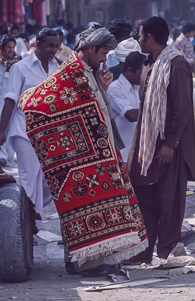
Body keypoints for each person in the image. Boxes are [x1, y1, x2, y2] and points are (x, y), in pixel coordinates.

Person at [20, 25, 148, 272]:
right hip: (80, 156)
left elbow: (93, 107)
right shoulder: (71, 71)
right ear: (91, 49)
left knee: (87, 208)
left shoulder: (87, 71)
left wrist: (103, 87)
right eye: (102, 54)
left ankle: (88, 261)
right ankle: (86, 263)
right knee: (79, 209)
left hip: (96, 152)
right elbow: (35, 102)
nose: (104, 59)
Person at [128, 16, 195, 262]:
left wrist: (171, 143)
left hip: (169, 147)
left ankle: (168, 251)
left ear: (149, 37)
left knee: (169, 201)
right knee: (143, 198)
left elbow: (182, 109)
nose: (138, 40)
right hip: (146, 145)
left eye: (139, 36)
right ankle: (142, 252)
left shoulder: (176, 64)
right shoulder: (149, 64)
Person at [0, 29, 61, 230]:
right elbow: (10, 100)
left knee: (52, 181)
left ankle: (30, 215)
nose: (53, 50)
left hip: (51, 134)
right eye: (50, 45)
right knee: (29, 179)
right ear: (38, 44)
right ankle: (26, 226)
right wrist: (1, 131)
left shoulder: (58, 67)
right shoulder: (20, 68)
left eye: (56, 46)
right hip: (25, 132)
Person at [107, 51, 144, 162]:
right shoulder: (115, 88)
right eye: (141, 72)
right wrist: (155, 109)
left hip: (136, 153)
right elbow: (131, 115)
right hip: (122, 154)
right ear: (129, 71)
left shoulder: (138, 87)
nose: (144, 76)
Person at [0, 35, 20, 166]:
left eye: (13, 47)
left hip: (11, 99)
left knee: (10, 126)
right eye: (8, 47)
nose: (11, 50)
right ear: (2, 48)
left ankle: (8, 157)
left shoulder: (18, 60)